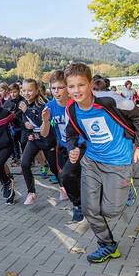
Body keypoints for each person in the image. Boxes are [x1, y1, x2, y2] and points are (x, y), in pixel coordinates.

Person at [65, 63, 139, 263]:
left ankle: (126, 187)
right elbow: (71, 133)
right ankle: (108, 246)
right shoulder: (72, 109)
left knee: (111, 211)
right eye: (71, 86)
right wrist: (72, 148)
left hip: (118, 162)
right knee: (89, 209)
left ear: (90, 84)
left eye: (81, 85)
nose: (76, 90)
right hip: (92, 161)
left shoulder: (109, 100)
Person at [40, 71, 83, 222]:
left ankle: (87, 203)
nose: (56, 92)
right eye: (53, 88)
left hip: (82, 146)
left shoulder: (77, 103)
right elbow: (44, 133)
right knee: (65, 177)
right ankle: (77, 204)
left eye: (60, 88)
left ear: (67, 87)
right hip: (64, 147)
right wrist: (45, 121)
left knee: (81, 175)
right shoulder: (50, 106)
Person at [19, 79, 62, 205]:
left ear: (37, 90)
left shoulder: (43, 104)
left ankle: (63, 187)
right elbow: (24, 120)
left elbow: (41, 123)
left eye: (30, 90)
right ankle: (31, 193)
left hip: (47, 139)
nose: (26, 93)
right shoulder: (23, 103)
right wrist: (27, 129)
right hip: (34, 139)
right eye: (24, 90)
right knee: (24, 164)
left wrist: (26, 111)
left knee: (54, 167)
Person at [3, 82, 24, 165]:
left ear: (18, 91)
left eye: (15, 92)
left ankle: (27, 158)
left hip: (22, 126)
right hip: (13, 126)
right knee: (14, 143)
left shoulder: (23, 100)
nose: (13, 94)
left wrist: (15, 115)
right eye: (11, 92)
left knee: (23, 142)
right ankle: (16, 158)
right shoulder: (7, 103)